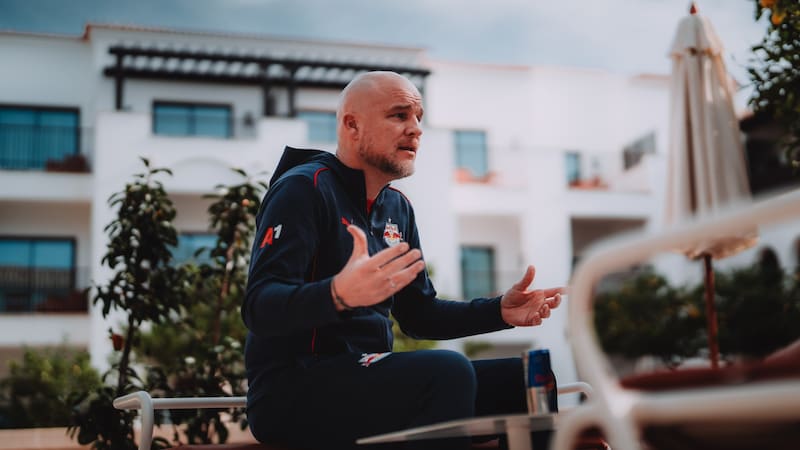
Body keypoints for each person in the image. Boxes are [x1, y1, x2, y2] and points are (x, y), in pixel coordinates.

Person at [242, 71, 564, 450]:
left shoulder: (398, 207)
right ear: (352, 125)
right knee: (447, 371)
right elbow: (258, 306)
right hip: (293, 391)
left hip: (365, 380)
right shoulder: (304, 187)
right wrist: (336, 295)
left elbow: (419, 315)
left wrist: (499, 312)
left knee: (527, 378)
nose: (416, 130)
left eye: (418, 118)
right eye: (399, 116)